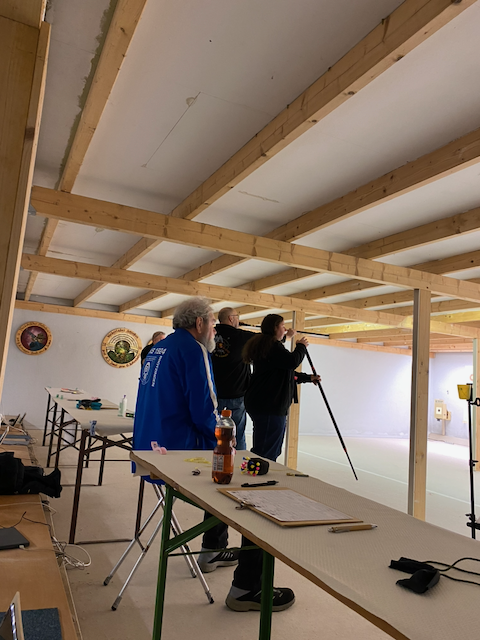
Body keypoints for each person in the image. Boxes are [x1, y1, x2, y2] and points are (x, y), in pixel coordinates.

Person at [133, 297, 295, 613]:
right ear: (200, 323)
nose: (215, 332)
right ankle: (246, 587)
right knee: (257, 494)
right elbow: (205, 410)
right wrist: (227, 441)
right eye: (212, 324)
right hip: (182, 456)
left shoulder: (158, 349)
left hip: (151, 453)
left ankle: (213, 549)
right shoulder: (193, 350)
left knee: (232, 482)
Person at [243, 314, 320, 462]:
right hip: (269, 405)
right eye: (282, 326)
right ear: (274, 328)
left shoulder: (267, 346)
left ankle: (259, 470)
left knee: (268, 447)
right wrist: (301, 347)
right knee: (266, 451)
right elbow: (292, 361)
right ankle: (258, 472)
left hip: (263, 403)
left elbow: (285, 372)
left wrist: (308, 378)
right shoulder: (272, 347)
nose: (285, 329)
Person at [211, 307, 255, 450]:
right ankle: (238, 461)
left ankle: (215, 458)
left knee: (214, 433)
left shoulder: (210, 334)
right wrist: (286, 337)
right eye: (237, 316)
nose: (238, 320)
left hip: (214, 394)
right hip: (237, 393)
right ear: (231, 318)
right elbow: (265, 341)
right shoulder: (241, 336)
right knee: (238, 434)